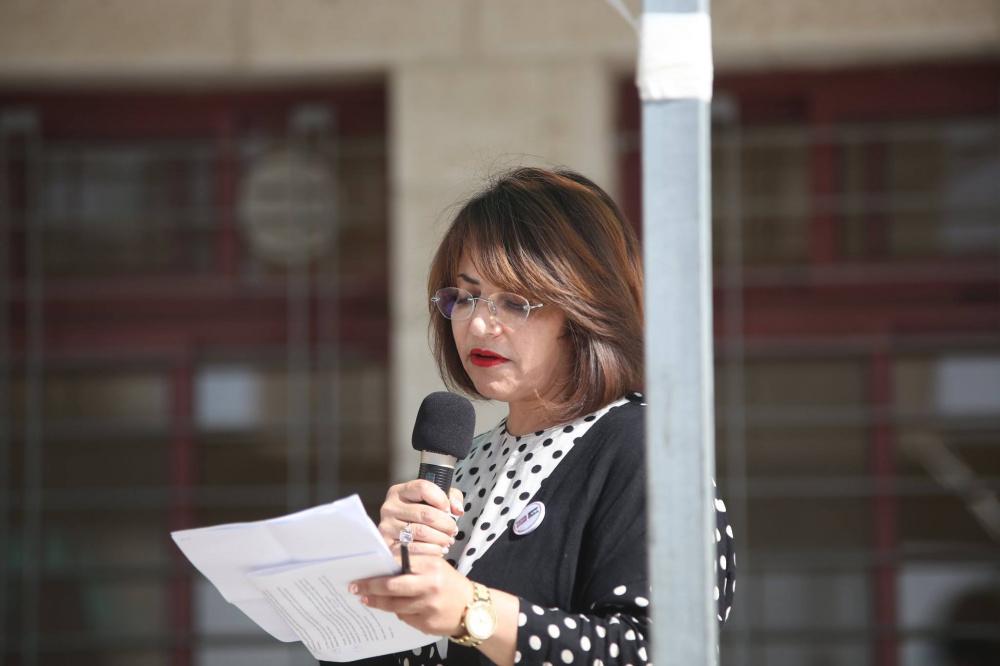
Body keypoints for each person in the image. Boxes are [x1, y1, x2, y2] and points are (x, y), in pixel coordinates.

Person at [338, 167, 735, 665]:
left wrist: (473, 610)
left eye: (515, 301)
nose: (480, 324)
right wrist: (379, 577)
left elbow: (664, 651)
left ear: (583, 311)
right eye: (466, 296)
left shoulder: (646, 449)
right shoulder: (470, 462)